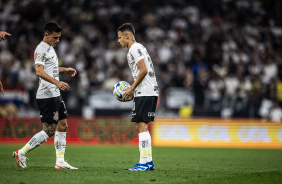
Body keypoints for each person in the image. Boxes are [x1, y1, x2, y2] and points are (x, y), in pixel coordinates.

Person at [12, 22, 78, 169]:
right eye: (55, 37)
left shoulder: (50, 48)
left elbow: (50, 68)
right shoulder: (41, 49)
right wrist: (57, 82)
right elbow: (39, 71)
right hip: (47, 95)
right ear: (46, 35)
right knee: (49, 130)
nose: (58, 40)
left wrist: (64, 70)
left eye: (59, 37)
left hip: (55, 93)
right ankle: (21, 152)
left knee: (63, 125)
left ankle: (60, 162)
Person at [117, 23, 159, 171]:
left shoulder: (134, 48)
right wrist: (133, 91)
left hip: (145, 91)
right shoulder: (139, 48)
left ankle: (143, 163)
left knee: (141, 126)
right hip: (149, 90)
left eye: (120, 37)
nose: (119, 41)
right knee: (143, 126)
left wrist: (132, 88)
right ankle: (148, 162)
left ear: (127, 36)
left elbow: (144, 70)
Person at [0, 31, 11, 96]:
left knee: (9, 70)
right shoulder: (1, 53)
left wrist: (6, 64)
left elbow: (10, 60)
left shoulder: (8, 53)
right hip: (2, 66)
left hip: (7, 66)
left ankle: (8, 85)